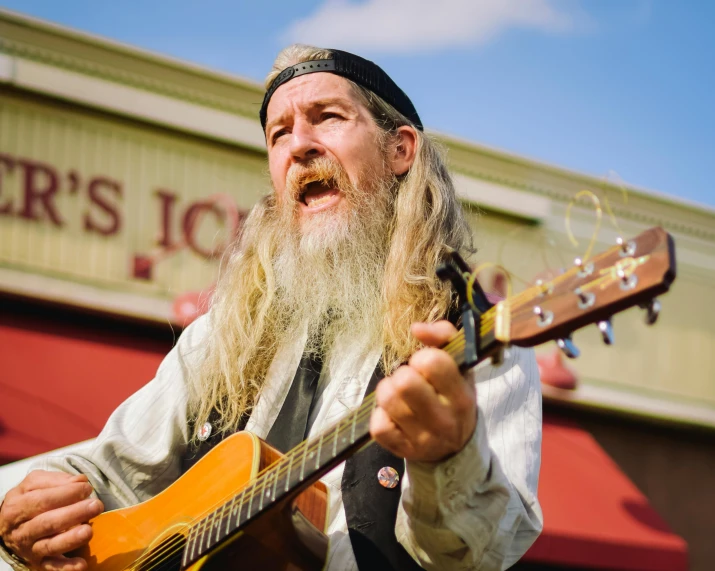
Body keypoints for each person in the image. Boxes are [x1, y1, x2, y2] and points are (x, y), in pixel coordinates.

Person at [0, 45, 543, 571]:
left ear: (400, 149)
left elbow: (480, 555)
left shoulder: (474, 337)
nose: (299, 145)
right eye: (279, 133)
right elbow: (109, 472)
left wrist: (449, 457)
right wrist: (26, 516)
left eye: (326, 117)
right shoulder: (224, 334)